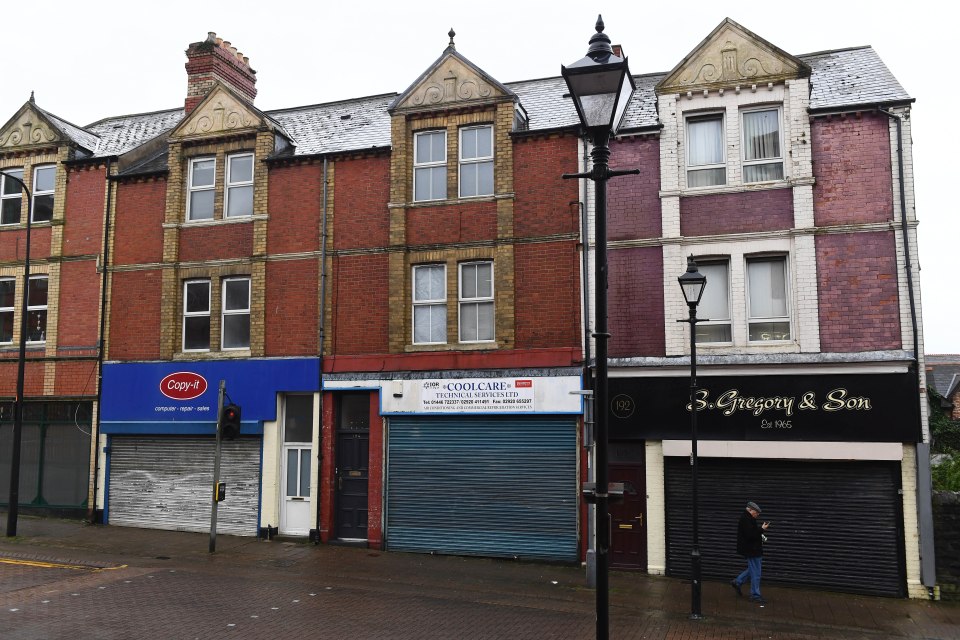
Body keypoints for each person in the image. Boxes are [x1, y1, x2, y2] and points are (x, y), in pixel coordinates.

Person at [731, 501, 769, 605]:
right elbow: (750, 535)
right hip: (752, 550)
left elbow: (751, 533)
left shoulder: (748, 518)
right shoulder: (746, 519)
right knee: (756, 573)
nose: (758, 515)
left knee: (753, 569)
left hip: (753, 549)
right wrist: (761, 529)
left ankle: (738, 581)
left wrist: (761, 532)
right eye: (756, 512)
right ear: (751, 510)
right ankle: (755, 595)